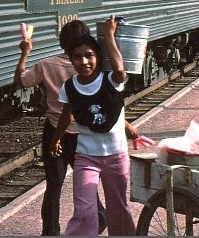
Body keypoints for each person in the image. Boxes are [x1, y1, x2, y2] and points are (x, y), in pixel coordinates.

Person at [15, 20, 127, 235]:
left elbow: (21, 81)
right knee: (87, 185)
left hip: (55, 130)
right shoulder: (95, 66)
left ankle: (50, 233)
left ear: (61, 42)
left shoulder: (46, 65)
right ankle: (99, 218)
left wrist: (25, 52)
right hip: (85, 134)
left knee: (53, 188)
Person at [49, 15, 154, 236]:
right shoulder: (69, 87)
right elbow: (66, 116)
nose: (84, 62)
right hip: (86, 157)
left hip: (116, 157)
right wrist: (56, 138)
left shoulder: (110, 81)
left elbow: (119, 71)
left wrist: (109, 35)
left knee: (118, 207)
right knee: (84, 210)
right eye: (77, 58)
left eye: (89, 56)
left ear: (98, 56)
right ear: (71, 60)